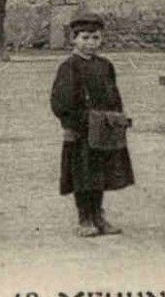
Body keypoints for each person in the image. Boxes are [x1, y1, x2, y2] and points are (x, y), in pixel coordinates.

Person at [50, 16, 135, 236]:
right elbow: (60, 102)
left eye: (95, 37)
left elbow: (114, 95)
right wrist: (76, 124)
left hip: (104, 129)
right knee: (83, 175)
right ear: (73, 39)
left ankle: (98, 215)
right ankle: (84, 218)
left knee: (100, 174)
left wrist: (117, 119)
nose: (90, 43)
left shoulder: (105, 65)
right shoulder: (69, 67)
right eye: (85, 38)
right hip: (81, 131)